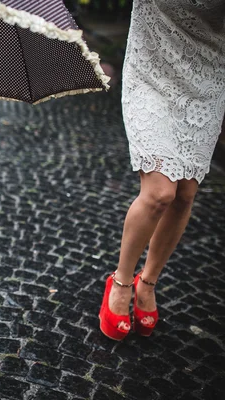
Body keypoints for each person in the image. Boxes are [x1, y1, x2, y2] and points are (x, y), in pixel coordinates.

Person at [99, 0, 225, 340]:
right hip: (151, 73)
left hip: (208, 79)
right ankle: (122, 281)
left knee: (185, 194)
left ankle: (148, 281)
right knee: (159, 192)